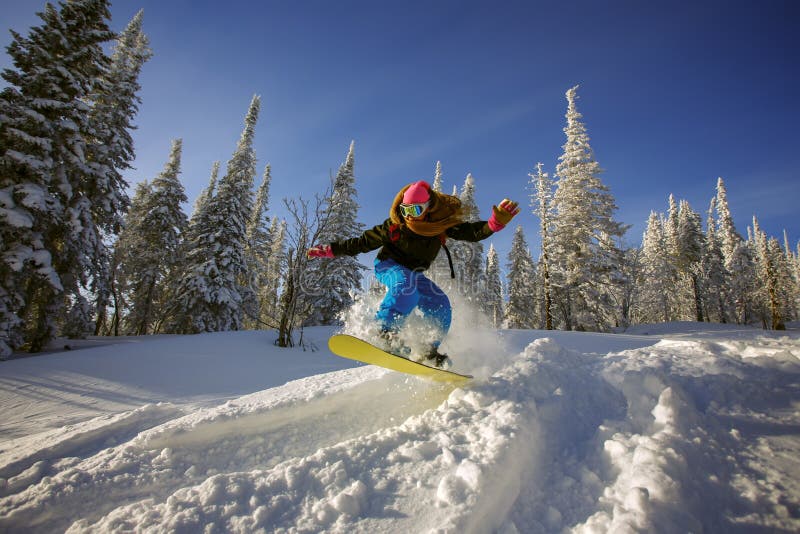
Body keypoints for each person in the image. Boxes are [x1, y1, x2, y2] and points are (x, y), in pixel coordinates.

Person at [308, 180, 519, 367]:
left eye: (415, 211)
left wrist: (494, 224)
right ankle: (384, 332)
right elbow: (362, 242)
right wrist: (331, 250)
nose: (409, 216)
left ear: (427, 208)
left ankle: (428, 349)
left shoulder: (440, 225)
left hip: (415, 273)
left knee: (441, 305)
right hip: (388, 265)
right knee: (406, 287)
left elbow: (471, 232)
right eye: (405, 210)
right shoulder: (396, 225)